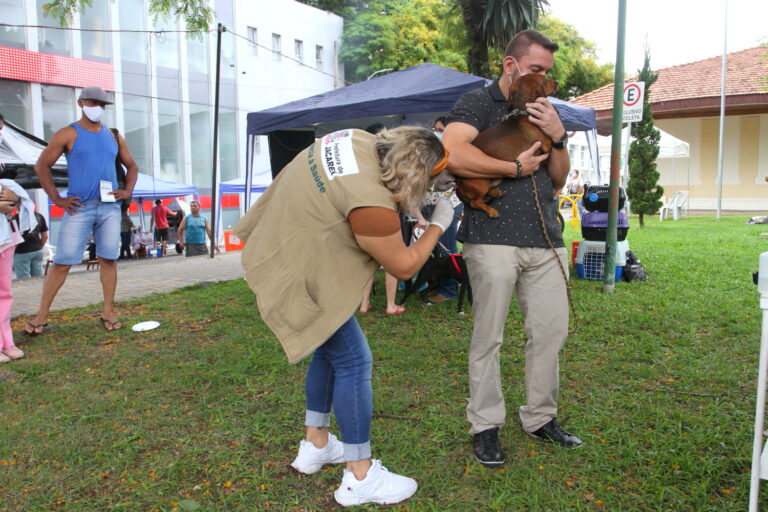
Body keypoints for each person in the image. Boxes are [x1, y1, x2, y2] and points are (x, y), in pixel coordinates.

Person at [234, 126, 455, 507]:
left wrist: (410, 202)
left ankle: (316, 443)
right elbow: (403, 266)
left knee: (328, 351)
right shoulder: (371, 204)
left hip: (279, 246)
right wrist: (437, 224)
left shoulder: (351, 138)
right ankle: (360, 474)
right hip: (299, 274)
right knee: (354, 360)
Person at [442, 29, 582, 467]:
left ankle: (540, 418)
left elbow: (558, 178)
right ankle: (485, 425)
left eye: (547, 73)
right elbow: (451, 153)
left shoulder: (545, 109)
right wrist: (511, 167)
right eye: (537, 70)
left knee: (549, 333)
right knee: (489, 337)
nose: (544, 80)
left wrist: (557, 135)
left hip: (546, 239)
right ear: (511, 65)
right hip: (492, 239)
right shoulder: (477, 103)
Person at [24, 86, 138, 334]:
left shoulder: (114, 136)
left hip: (110, 208)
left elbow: (132, 166)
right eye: (93, 102)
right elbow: (42, 166)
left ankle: (108, 311)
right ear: (81, 103)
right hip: (79, 208)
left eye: (102, 104)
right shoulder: (67, 133)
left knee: (109, 260)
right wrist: (57, 198)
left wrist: (127, 191)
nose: (97, 107)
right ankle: (41, 316)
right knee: (62, 262)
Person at [0, 180, 38, 361]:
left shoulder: (5, 182)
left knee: (4, 293)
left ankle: (7, 342)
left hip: (5, 239)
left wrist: (14, 199)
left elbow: (22, 202)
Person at [12, 210, 48, 278]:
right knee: (38, 278)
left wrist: (12, 253)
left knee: (23, 279)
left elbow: (14, 239)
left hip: (21, 252)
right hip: (37, 251)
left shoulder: (15, 218)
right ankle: (38, 288)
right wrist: (39, 247)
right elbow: (45, 236)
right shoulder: (39, 216)